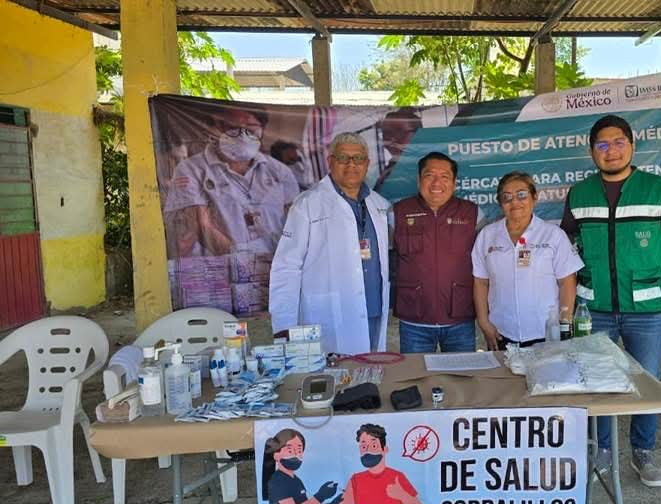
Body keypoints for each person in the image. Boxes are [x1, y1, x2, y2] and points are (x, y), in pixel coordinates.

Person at [561, 114, 661, 487]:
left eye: (619, 142)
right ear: (592, 152)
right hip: (594, 308)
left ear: (632, 147)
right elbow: (566, 249)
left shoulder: (658, 189)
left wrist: (648, 267)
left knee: (645, 382)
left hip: (646, 310)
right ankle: (601, 450)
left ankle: (643, 451)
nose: (611, 151)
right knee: (599, 382)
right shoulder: (579, 194)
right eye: (602, 144)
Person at [269, 132, 391, 354]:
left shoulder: (380, 204)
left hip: (373, 310)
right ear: (330, 161)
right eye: (343, 158)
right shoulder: (307, 204)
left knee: (371, 370)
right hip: (329, 314)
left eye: (358, 158)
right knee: (334, 372)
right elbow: (286, 267)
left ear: (367, 164)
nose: (351, 165)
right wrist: (283, 324)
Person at [164, 105, 300, 257]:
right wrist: (242, 259)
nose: (242, 135)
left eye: (250, 128)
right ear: (212, 130)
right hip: (221, 265)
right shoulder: (192, 169)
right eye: (231, 127)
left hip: (275, 264)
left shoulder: (278, 171)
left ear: (261, 131)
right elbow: (201, 225)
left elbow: (295, 220)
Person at [472, 171, 583, 350]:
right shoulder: (487, 235)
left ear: (534, 197)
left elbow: (567, 282)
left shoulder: (553, 234)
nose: (515, 202)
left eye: (521, 195)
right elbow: (480, 282)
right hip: (501, 331)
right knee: (503, 369)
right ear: (500, 203)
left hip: (546, 332)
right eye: (507, 197)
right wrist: (484, 322)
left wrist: (564, 324)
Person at [393, 152, 481, 353]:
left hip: (459, 319)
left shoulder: (473, 213)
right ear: (418, 180)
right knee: (416, 372)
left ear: (454, 182)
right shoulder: (397, 213)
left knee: (462, 372)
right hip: (414, 322)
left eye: (444, 176)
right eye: (429, 175)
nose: (436, 183)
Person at [324, 424, 427, 504]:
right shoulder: (356, 480)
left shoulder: (397, 477)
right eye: (363, 446)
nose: (368, 450)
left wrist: (402, 495)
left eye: (373, 445)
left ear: (385, 449)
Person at [261, 429, 343, 504]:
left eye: (299, 450)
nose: (296, 454)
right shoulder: (278, 481)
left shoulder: (296, 480)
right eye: (290, 450)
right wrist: (320, 496)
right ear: (276, 455)